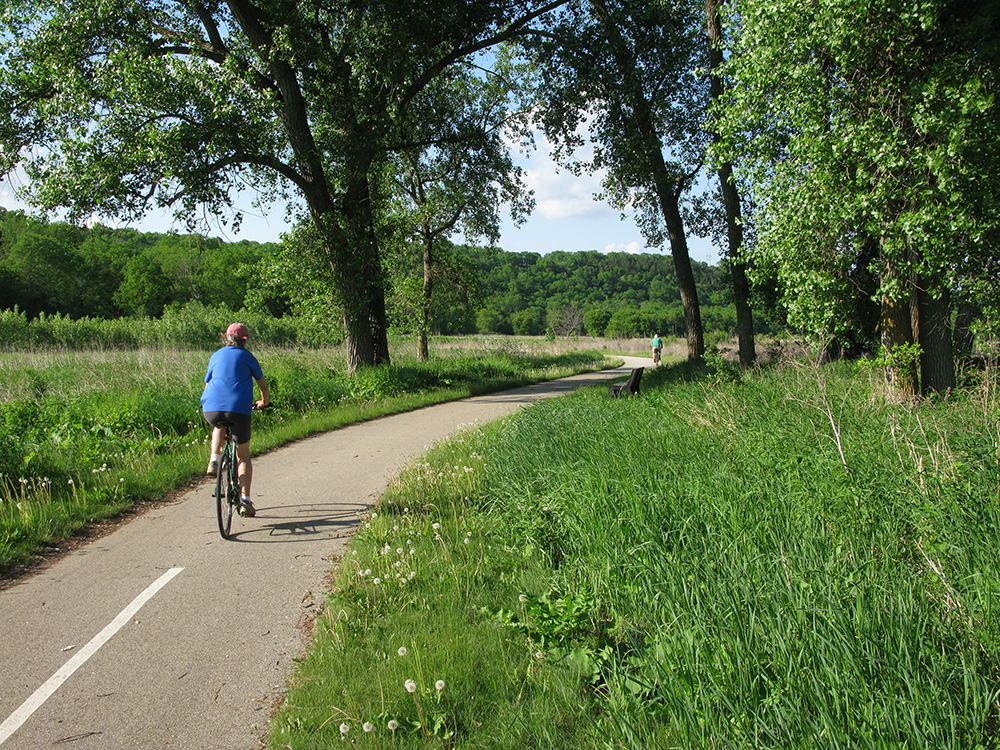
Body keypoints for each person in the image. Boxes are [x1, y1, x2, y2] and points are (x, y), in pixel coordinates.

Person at [201, 322, 270, 517]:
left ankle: (214, 459)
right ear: (245, 341)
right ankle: (245, 501)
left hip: (212, 407)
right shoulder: (247, 357)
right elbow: (263, 387)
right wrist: (263, 403)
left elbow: (207, 384)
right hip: (239, 409)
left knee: (218, 425)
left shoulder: (216, 355)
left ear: (226, 337)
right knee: (244, 455)